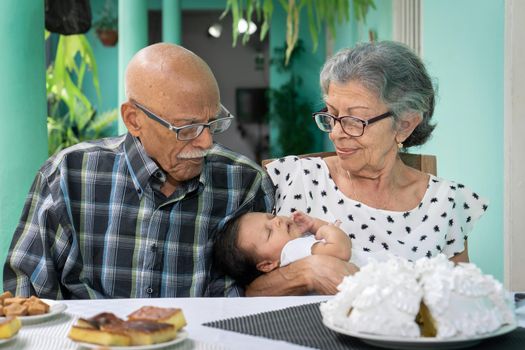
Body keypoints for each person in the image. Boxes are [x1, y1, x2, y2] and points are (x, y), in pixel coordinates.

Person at [3, 43, 275, 299]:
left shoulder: (245, 185)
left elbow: (266, 295)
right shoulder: (67, 176)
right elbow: (24, 297)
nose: (206, 142)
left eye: (213, 122)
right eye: (187, 128)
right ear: (134, 120)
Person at [245, 41, 488, 296]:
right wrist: (310, 270)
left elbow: (463, 299)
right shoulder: (292, 179)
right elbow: (246, 294)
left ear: (405, 125)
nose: (336, 134)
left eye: (354, 120)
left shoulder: (446, 203)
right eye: (331, 115)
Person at [214, 211, 352, 286]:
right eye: (269, 232)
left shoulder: (298, 249)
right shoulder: (292, 250)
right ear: (267, 264)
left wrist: (313, 225)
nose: (276, 220)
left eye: (271, 216)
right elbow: (341, 250)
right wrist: (325, 228)